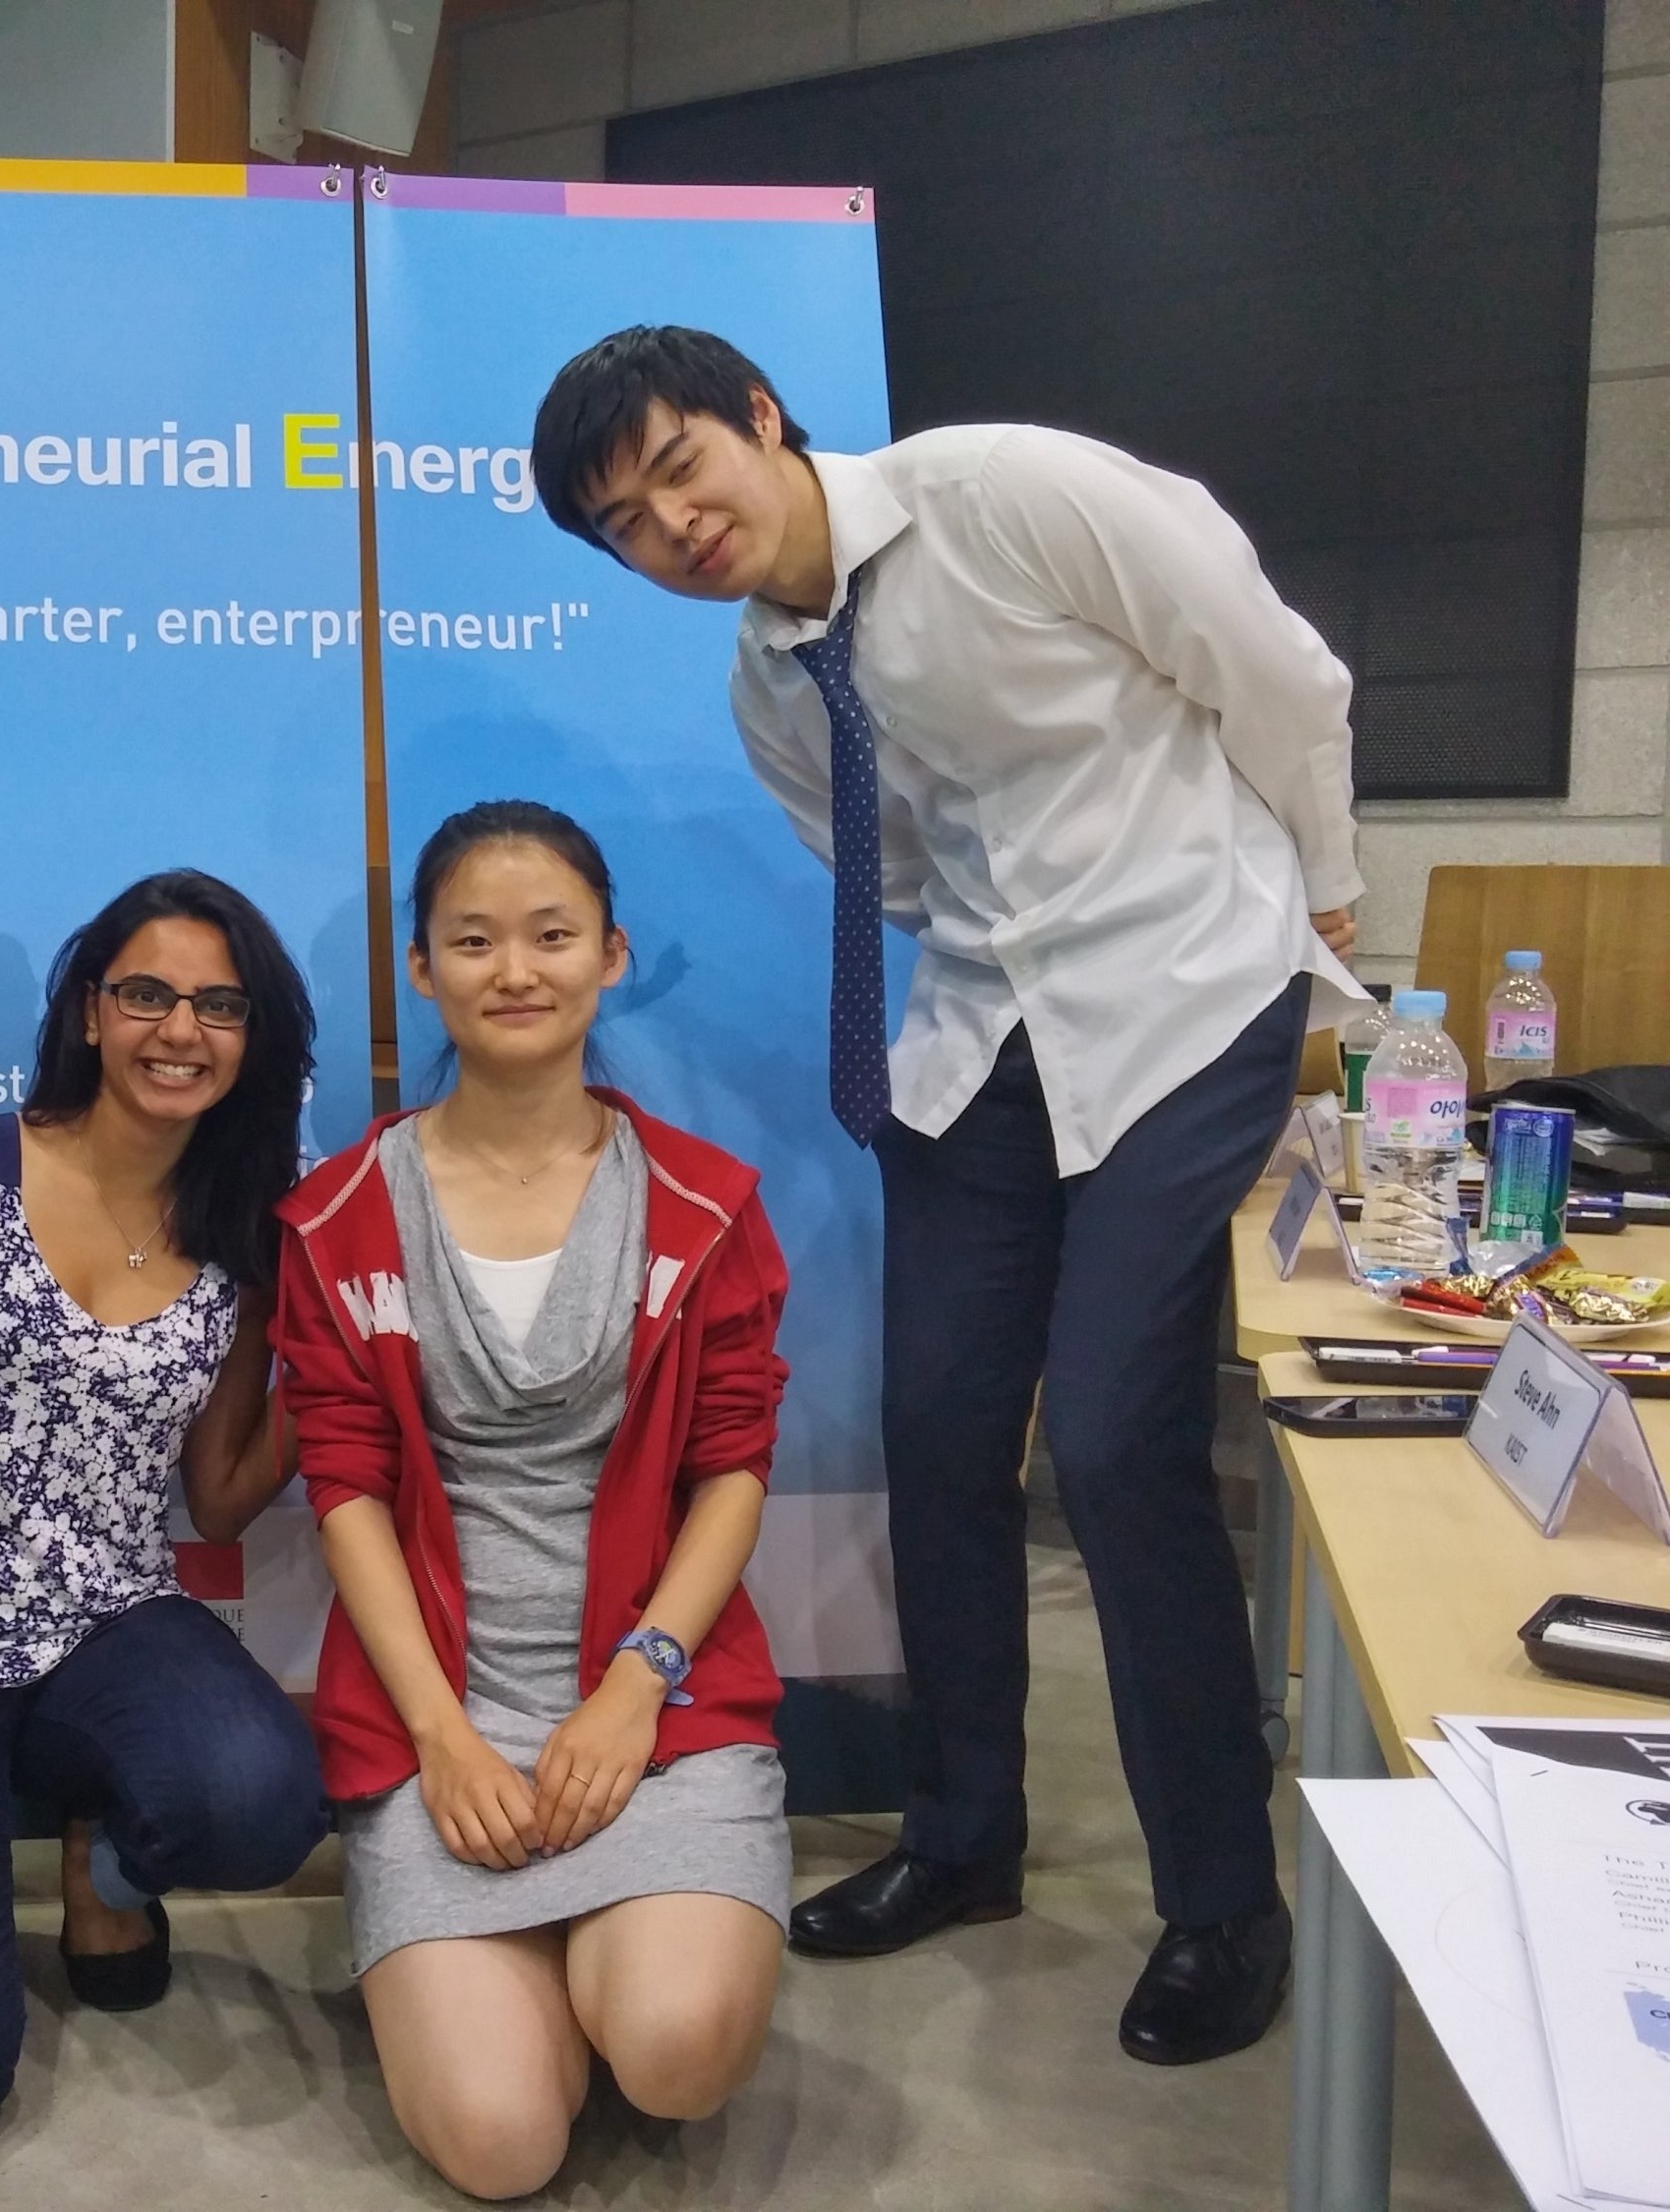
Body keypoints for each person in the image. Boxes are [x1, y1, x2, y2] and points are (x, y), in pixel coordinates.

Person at [531, 325, 1365, 2065]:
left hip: (1192, 986)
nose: (672, 524)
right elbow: (891, 867)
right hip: (988, 1025)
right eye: (623, 523)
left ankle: (1226, 1901)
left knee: (1127, 1442)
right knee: (936, 1427)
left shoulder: (1013, 492)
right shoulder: (770, 681)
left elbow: (1276, 675)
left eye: (682, 465)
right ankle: (965, 1834)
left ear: (761, 416)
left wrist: (1329, 891)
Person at [274, 801, 791, 2201]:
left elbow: (734, 1465)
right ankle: (520, 1965)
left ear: (610, 956)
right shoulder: (337, 1217)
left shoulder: (704, 1202)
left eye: (553, 935)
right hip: (441, 1715)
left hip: (658, 1704)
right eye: (475, 940)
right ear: (420, 968)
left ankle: (630, 1944)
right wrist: (440, 1734)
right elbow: (347, 1486)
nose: (518, 969)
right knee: (501, 2148)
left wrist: (639, 1682)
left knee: (677, 2051)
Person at [0, 870, 330, 2157]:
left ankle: (102, 1848)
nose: (177, 1028)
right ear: (90, 1008)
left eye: (218, 1004)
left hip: (107, 1623)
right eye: (145, 992)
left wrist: (339, 1364)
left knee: (257, 1800)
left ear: (253, 1041)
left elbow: (218, 1497)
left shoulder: (245, 1236)